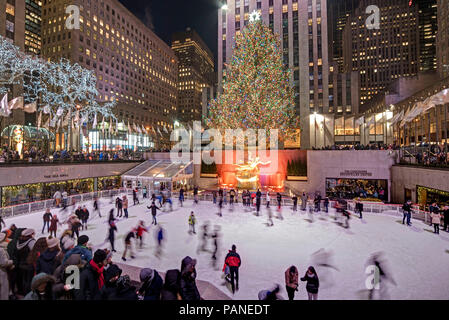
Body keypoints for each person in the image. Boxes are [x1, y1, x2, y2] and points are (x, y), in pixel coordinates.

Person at [0, 232, 13, 300]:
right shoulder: (1, 250)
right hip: (2, 272)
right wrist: (11, 261)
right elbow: (4, 263)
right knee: (3, 290)